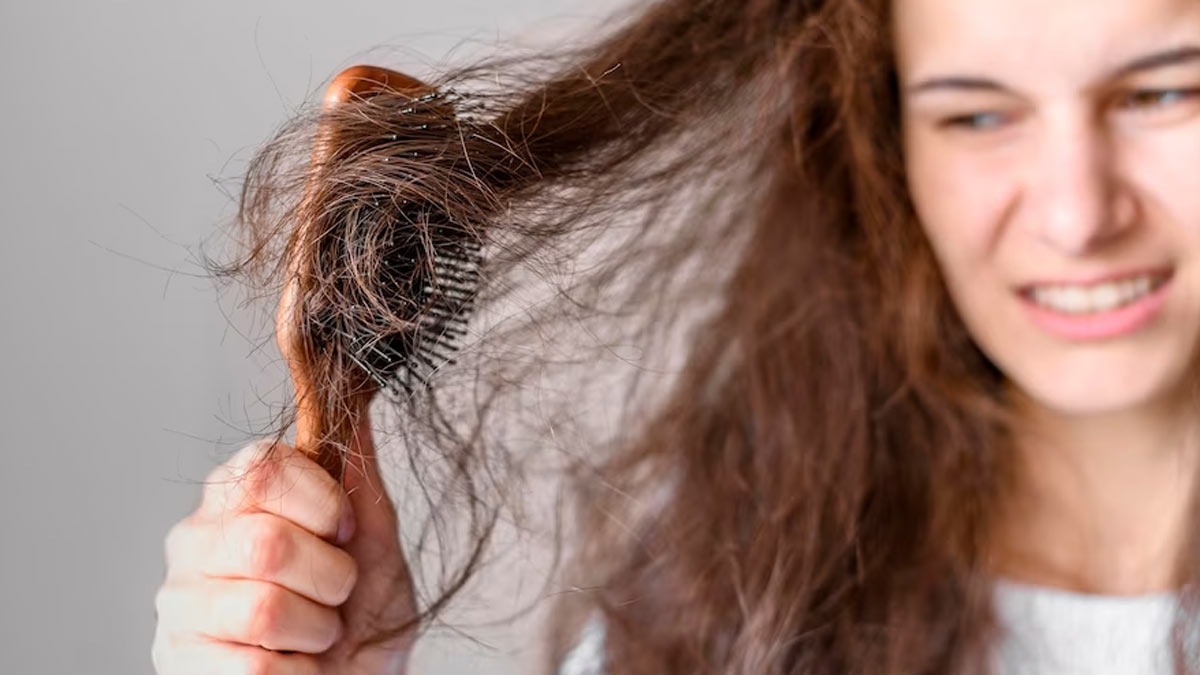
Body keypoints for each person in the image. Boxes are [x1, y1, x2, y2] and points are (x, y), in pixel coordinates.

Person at [151, 0, 1200, 672]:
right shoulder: (732, 602)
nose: (1077, 214)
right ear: (890, 151)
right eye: (976, 114)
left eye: (1163, 91)